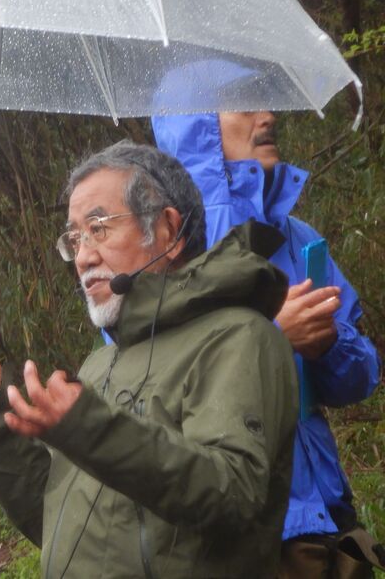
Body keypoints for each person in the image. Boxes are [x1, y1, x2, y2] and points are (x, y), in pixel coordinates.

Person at [0, 141, 299, 578]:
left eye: (99, 228)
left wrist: (89, 427)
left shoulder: (240, 339)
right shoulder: (103, 361)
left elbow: (234, 494)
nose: (83, 256)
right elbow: (57, 517)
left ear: (169, 231)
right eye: (74, 237)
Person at [153, 105, 383, 577]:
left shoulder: (298, 238)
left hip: (327, 519)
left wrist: (327, 344)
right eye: (245, 104)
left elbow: (361, 377)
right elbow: (155, 389)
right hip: (240, 536)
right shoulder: (168, 257)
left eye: (267, 100)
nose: (269, 115)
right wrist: (275, 338)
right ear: (198, 129)